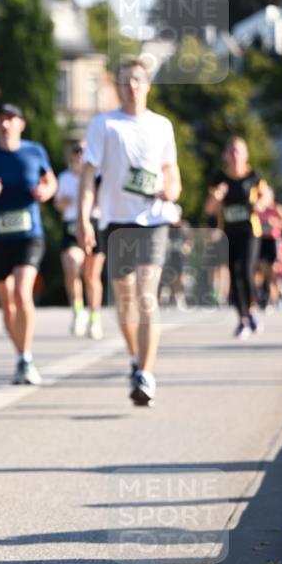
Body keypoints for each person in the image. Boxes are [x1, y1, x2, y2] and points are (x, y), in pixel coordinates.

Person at [79, 57, 182, 406]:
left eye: (137, 80)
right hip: (115, 221)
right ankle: (137, 359)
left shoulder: (162, 126)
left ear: (148, 84)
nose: (131, 86)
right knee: (124, 300)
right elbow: (88, 176)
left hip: (154, 219)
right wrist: (83, 219)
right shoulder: (103, 124)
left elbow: (172, 172)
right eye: (125, 81)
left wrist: (172, 190)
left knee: (146, 294)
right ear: (118, 86)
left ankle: (146, 375)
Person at [0, 103, 57, 384]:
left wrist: (45, 191)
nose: (5, 124)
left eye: (10, 119)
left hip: (30, 235)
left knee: (22, 293)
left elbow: (50, 181)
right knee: (7, 305)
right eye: (0, 120)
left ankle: (26, 358)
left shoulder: (35, 151)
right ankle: (20, 355)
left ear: (21, 124)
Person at [205, 137, 263, 339]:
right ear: (225, 156)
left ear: (245, 155)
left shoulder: (253, 176)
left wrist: (261, 204)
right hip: (228, 232)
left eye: (239, 151)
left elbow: (267, 195)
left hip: (250, 232)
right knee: (234, 274)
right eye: (231, 151)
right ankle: (243, 319)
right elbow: (210, 209)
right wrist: (217, 196)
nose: (235, 155)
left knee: (246, 271)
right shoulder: (219, 178)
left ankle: (251, 309)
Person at [54, 141, 104, 339]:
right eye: (76, 151)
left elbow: (106, 202)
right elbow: (57, 203)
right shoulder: (64, 177)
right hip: (72, 226)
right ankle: (77, 311)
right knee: (72, 266)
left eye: (84, 151)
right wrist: (63, 201)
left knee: (92, 277)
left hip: (94, 224)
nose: (80, 155)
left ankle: (94, 316)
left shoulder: (98, 176)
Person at [254, 182, 282, 310]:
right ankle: (260, 297)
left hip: (273, 241)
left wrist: (276, 222)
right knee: (259, 271)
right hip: (260, 241)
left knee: (271, 271)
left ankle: (273, 299)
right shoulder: (257, 209)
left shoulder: (277, 208)